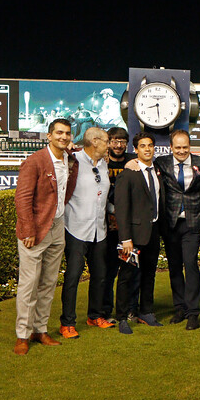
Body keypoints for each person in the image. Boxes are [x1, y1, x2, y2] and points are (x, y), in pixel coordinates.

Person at [13, 118, 79, 355]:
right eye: (59, 133)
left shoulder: (69, 159)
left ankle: (39, 330)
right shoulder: (35, 161)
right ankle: (22, 334)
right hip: (36, 229)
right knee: (29, 284)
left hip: (57, 227)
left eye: (67, 133)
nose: (63, 137)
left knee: (49, 283)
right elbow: (22, 199)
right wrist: (28, 230)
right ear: (49, 136)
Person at [154, 129, 200, 330]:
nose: (181, 151)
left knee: (191, 264)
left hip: (193, 223)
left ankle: (193, 312)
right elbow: (141, 164)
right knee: (175, 267)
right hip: (170, 224)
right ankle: (179, 308)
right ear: (171, 147)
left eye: (185, 147)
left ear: (190, 146)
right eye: (177, 147)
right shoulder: (161, 163)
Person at [59, 127, 113, 338]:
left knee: (100, 276)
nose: (109, 145)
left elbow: (102, 197)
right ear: (95, 141)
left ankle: (95, 315)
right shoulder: (72, 160)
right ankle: (67, 323)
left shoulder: (103, 164)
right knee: (72, 277)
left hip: (100, 230)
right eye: (107, 141)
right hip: (75, 229)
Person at [113, 132, 164, 334]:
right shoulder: (128, 174)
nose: (147, 149)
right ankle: (122, 317)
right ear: (136, 149)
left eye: (150, 145)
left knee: (149, 275)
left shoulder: (157, 170)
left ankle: (146, 312)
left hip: (153, 232)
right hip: (131, 238)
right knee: (126, 276)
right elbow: (122, 208)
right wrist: (125, 238)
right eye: (142, 145)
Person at [102, 127, 140, 323]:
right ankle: (106, 311)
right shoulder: (101, 161)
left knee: (131, 270)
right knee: (108, 272)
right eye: (114, 141)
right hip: (107, 227)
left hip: (129, 227)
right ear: (108, 142)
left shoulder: (134, 161)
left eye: (122, 141)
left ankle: (130, 310)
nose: (118, 145)